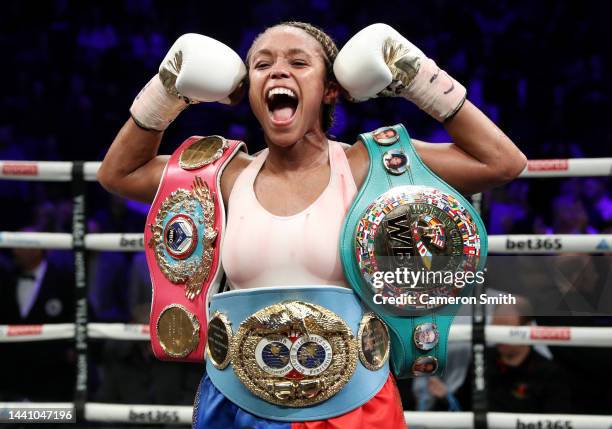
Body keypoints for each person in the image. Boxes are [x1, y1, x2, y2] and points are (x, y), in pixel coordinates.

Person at [98, 21, 526, 429]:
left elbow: (502, 161)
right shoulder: (224, 175)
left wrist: (419, 78)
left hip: (356, 408)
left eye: (298, 62)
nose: (278, 69)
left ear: (330, 89)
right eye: (262, 64)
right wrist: (168, 89)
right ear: (249, 91)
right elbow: (118, 174)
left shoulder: (370, 166)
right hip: (237, 406)